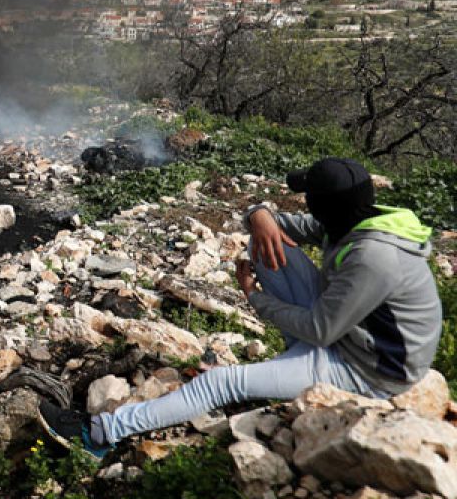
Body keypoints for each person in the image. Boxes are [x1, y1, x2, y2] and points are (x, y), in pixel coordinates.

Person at [41, 157, 443, 457]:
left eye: (309, 198)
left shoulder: (375, 257)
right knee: (263, 243)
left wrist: (255, 298)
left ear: (323, 207)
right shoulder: (352, 221)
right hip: (351, 336)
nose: (304, 203)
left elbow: (322, 330)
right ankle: (291, 365)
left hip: (371, 370)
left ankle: (99, 433)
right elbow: (268, 223)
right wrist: (260, 216)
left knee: (221, 383)